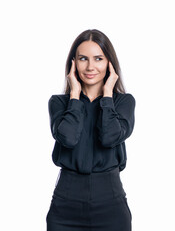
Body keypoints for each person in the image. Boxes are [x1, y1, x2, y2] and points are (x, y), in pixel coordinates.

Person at [46, 29, 135, 231]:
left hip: (110, 204)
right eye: (83, 59)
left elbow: (109, 137)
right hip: (65, 204)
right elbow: (67, 138)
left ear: (109, 64)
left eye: (98, 58)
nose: (90, 66)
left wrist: (107, 97)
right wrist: (75, 95)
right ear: (73, 63)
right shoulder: (59, 103)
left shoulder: (123, 102)